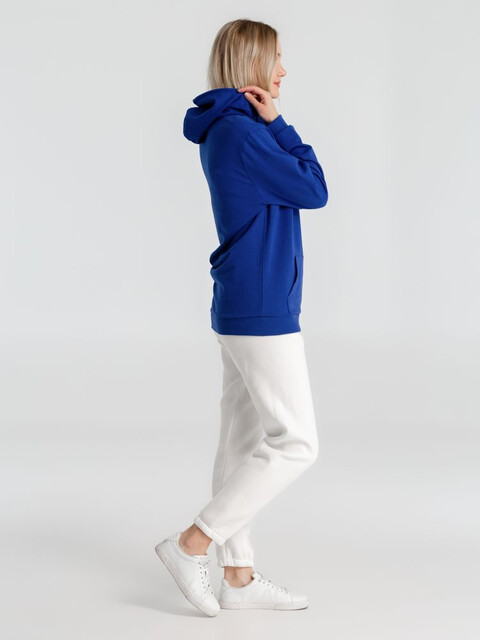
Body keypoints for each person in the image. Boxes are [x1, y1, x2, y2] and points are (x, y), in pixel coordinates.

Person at [155, 18, 328, 617]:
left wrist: (269, 123)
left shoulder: (228, 129)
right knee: (297, 442)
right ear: (252, 64)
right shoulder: (245, 133)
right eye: (276, 60)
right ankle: (192, 544)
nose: (283, 72)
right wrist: (280, 123)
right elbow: (314, 188)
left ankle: (239, 575)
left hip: (243, 300)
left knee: (241, 443)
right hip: (260, 305)